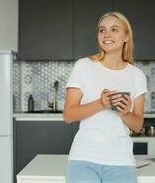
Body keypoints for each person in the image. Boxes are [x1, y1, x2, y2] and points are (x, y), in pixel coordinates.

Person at [63, 11, 147, 183]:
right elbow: (68, 115)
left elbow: (138, 125)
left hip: (121, 160)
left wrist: (124, 113)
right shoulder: (84, 66)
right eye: (102, 30)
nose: (106, 34)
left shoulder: (137, 75)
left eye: (114, 29)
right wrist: (101, 103)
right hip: (83, 158)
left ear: (126, 37)